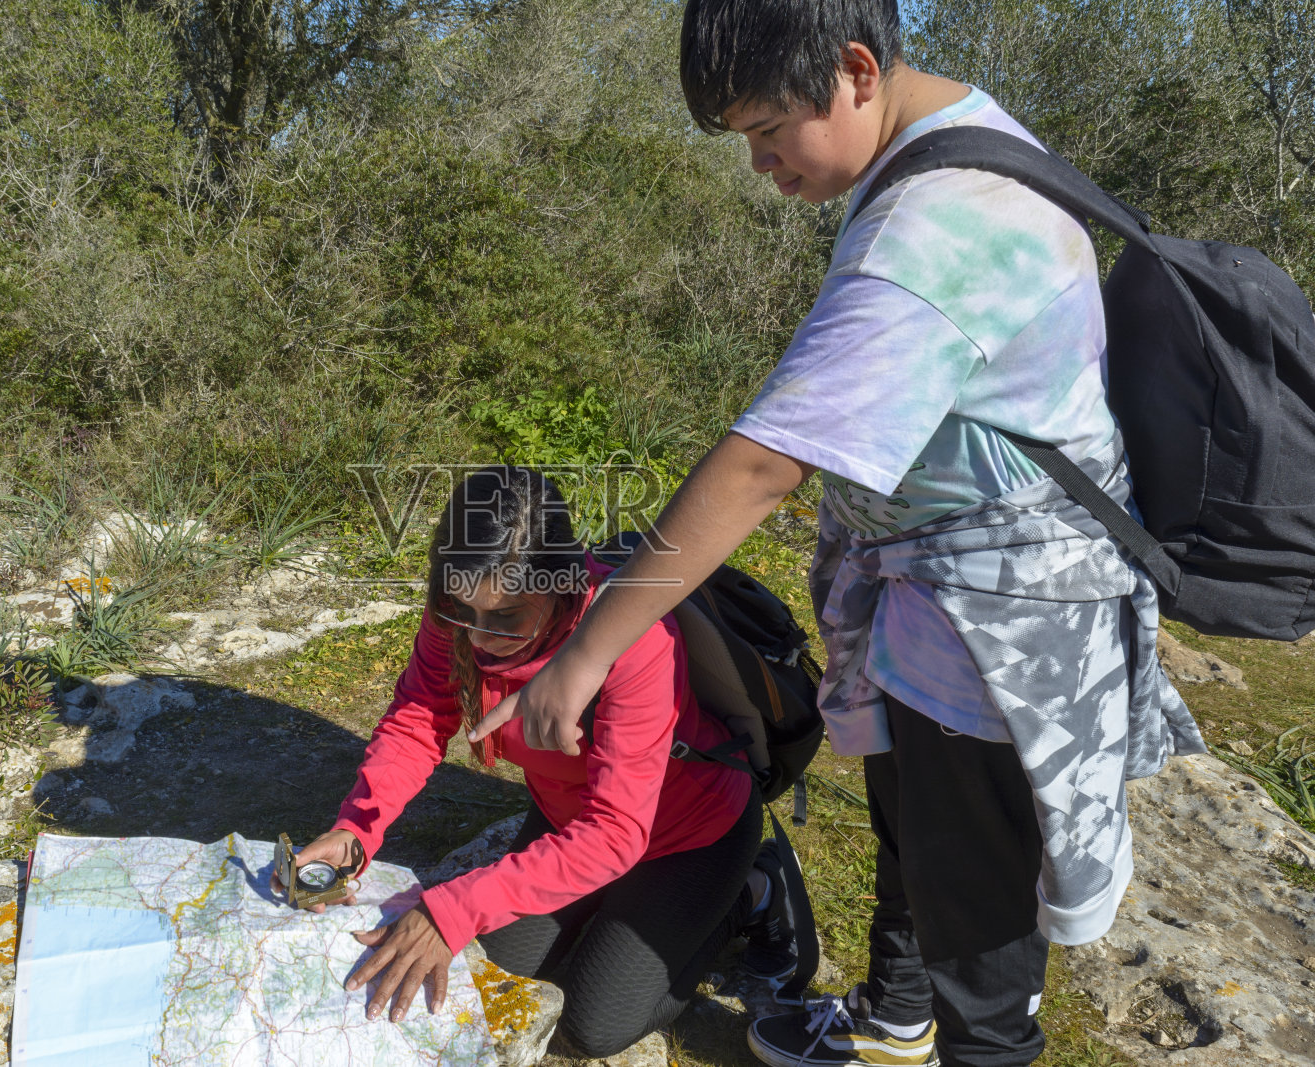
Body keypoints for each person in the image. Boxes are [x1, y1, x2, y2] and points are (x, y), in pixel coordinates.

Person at [465, 3, 1206, 1066]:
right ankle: (898, 1017)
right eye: (744, 140)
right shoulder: (957, 138)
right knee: (912, 827)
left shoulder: (935, 225)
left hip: (996, 632)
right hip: (947, 600)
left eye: (769, 129)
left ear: (856, 70)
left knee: (978, 923)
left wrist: (588, 651)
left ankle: (962, 1039)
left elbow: (765, 462)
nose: (762, 164)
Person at [280, 465, 803, 1058]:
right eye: (460, 611)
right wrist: (357, 830)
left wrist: (452, 908)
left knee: (588, 1026)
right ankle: (614, 912)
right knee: (495, 981)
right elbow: (422, 715)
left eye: (506, 619)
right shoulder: (462, 608)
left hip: (688, 834)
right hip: (567, 821)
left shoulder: (635, 639)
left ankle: (756, 888)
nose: (477, 638)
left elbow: (614, 835)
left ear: (564, 582)